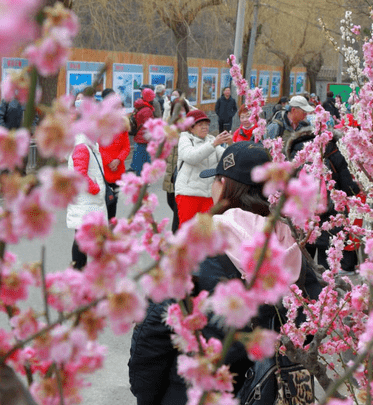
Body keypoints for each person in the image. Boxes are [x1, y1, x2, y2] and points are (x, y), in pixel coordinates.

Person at [128, 141, 323, 404]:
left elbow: (154, 332)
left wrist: (148, 396)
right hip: (264, 392)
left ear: (225, 184)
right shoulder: (291, 247)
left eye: (216, 180)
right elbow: (310, 325)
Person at [286, 129, 361, 274]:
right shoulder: (334, 152)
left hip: (302, 216)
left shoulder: (295, 154)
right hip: (330, 217)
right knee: (326, 262)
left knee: (303, 261)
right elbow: (349, 187)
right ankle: (325, 289)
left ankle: (304, 291)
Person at [174, 110, 231, 225]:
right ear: (191, 128)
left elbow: (228, 160)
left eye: (207, 124)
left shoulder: (211, 139)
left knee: (207, 233)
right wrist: (214, 144)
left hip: (209, 194)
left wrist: (231, 143)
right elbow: (192, 157)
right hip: (188, 193)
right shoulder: (185, 139)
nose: (205, 127)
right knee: (188, 231)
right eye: (201, 125)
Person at [66, 132, 107, 270]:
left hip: (88, 201)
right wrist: (96, 189)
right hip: (86, 201)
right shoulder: (82, 147)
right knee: (81, 239)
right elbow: (80, 175)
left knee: (84, 238)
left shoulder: (89, 146)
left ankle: (82, 270)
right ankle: (79, 271)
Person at [98, 88, 131, 220]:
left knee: (113, 203)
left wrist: (118, 159)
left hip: (118, 170)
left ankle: (110, 226)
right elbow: (97, 146)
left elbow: (126, 146)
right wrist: (109, 161)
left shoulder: (122, 122)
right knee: (103, 202)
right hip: (103, 170)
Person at [162, 97, 191, 233]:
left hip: (184, 173)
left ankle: (178, 235)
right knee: (170, 202)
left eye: (182, 110)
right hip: (170, 171)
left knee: (178, 210)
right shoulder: (169, 126)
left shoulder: (191, 127)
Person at [130, 88, 155, 175]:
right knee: (144, 159)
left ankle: (140, 175)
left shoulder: (140, 106)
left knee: (140, 158)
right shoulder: (147, 109)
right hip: (144, 137)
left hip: (139, 136)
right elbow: (148, 125)